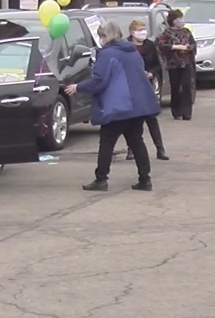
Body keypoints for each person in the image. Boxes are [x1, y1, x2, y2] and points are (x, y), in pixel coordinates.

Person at [66, 21, 159, 192]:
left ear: (105, 36)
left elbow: (99, 81)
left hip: (118, 105)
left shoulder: (107, 54)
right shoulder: (133, 52)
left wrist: (78, 87)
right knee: (137, 141)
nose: (100, 39)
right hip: (137, 105)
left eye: (101, 36)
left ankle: (101, 179)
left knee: (107, 142)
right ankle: (145, 179)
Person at [125, 19, 168, 161]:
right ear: (132, 32)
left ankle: (160, 149)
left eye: (144, 29)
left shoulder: (149, 45)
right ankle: (131, 149)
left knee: (151, 118)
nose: (143, 32)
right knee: (133, 120)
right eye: (139, 29)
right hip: (131, 86)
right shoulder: (126, 46)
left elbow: (157, 64)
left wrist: (151, 72)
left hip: (147, 85)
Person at [158, 9, 196, 120]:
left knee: (186, 86)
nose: (181, 20)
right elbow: (161, 45)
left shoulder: (186, 32)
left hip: (186, 63)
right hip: (173, 64)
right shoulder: (167, 33)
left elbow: (193, 44)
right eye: (179, 18)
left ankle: (187, 112)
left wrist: (188, 48)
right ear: (173, 20)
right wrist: (175, 47)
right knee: (175, 87)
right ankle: (176, 111)